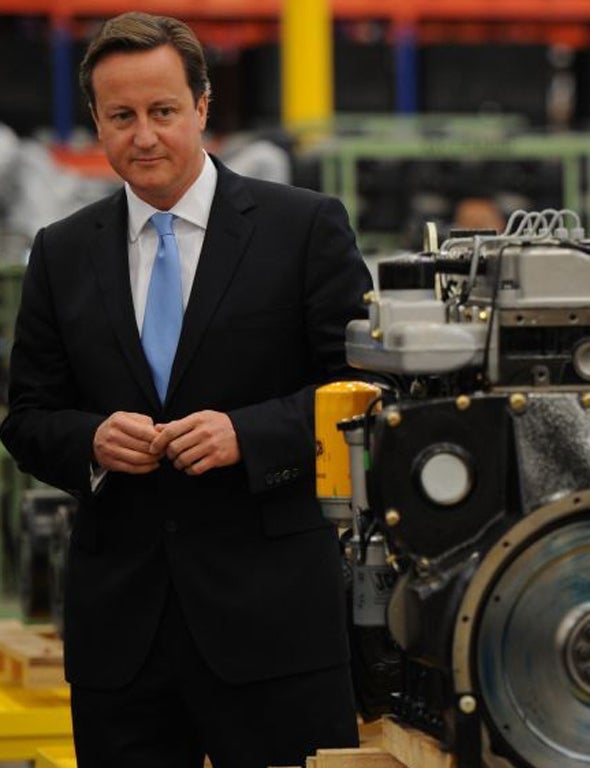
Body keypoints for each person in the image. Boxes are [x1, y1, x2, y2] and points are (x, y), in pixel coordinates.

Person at [0, 12, 372, 768]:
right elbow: (29, 416)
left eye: (163, 112)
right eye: (122, 117)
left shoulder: (301, 229)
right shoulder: (62, 252)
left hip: (274, 629)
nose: (144, 136)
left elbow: (368, 388)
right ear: (98, 124)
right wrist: (92, 443)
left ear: (203, 107)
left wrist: (252, 435)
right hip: (122, 642)